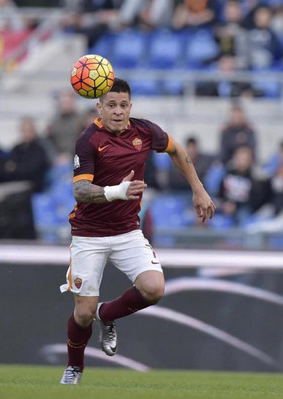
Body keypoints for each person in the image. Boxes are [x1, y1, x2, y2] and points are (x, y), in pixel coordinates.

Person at [59, 78, 215, 385]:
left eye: (123, 105)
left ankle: (109, 314)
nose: (118, 111)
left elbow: (176, 150)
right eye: (111, 105)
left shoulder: (145, 131)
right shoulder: (88, 139)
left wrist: (198, 189)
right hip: (89, 234)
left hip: (127, 231)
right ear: (99, 107)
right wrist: (118, 191)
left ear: (130, 106)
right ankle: (74, 368)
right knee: (83, 314)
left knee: (154, 288)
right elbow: (80, 190)